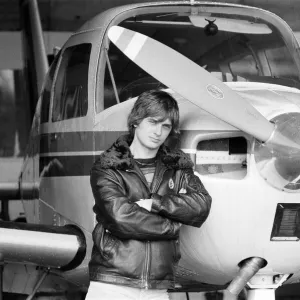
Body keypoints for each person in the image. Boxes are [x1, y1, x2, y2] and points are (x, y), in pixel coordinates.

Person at [86, 89, 212, 300]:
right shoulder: (108, 166)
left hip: (157, 288)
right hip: (112, 284)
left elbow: (201, 205)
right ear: (136, 121)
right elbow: (121, 218)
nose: (158, 132)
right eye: (153, 122)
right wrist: (171, 226)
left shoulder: (177, 165)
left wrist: (156, 204)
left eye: (166, 126)